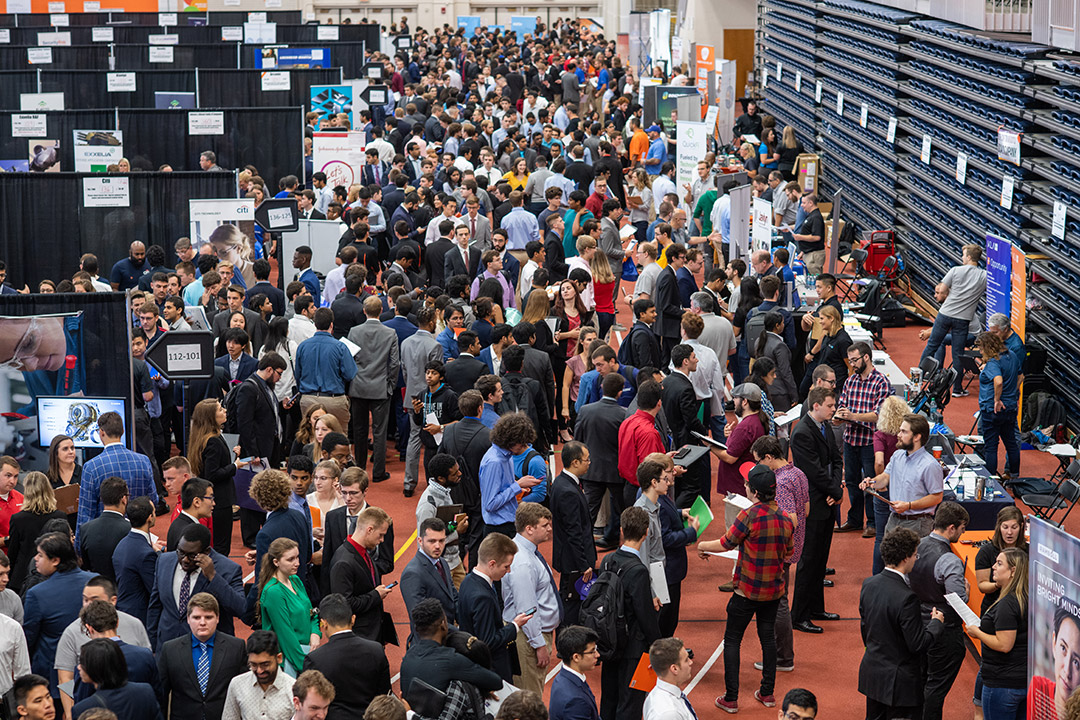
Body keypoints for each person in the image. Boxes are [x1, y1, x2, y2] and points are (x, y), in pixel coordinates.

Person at [699, 464, 794, 713]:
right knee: (767, 639)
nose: (744, 486)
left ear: (754, 491)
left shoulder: (749, 515)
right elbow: (789, 553)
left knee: (732, 640)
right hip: (773, 592)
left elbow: (726, 542)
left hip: (746, 591)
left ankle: (731, 697)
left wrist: (701, 546)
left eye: (747, 484)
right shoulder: (785, 518)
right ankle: (767, 693)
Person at [859, 527, 946, 719]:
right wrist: (935, 624)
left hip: (873, 675)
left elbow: (865, 630)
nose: (916, 558)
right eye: (915, 554)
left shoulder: (868, 584)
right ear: (905, 557)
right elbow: (917, 644)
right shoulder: (907, 598)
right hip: (900, 684)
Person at [909, 501, 971, 720]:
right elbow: (959, 601)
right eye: (962, 528)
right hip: (945, 631)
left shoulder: (915, 545)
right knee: (936, 687)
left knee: (922, 679)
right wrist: (967, 589)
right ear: (952, 527)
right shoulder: (950, 560)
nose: (963, 534)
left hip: (917, 623)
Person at [597, 507, 660, 720]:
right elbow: (645, 614)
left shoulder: (607, 560)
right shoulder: (639, 571)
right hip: (633, 648)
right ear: (646, 532)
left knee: (609, 698)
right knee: (631, 703)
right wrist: (656, 645)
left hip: (610, 641)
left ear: (622, 529)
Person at [752, 436, 809, 671]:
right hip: (794, 545)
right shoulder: (798, 473)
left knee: (778, 602)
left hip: (779, 549)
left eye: (758, 461)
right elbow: (806, 509)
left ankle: (782, 657)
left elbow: (791, 518)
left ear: (768, 457)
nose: (757, 467)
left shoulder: (781, 482)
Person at [146, 524, 246, 652]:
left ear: (206, 552)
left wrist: (213, 577)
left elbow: (240, 608)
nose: (185, 560)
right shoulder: (164, 561)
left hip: (209, 651)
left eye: (192, 556)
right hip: (168, 647)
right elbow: (155, 606)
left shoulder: (227, 569)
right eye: (181, 552)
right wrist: (153, 646)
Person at [24, 532, 95, 696]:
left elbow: (29, 638)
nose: (35, 559)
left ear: (55, 560)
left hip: (56, 676)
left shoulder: (37, 594)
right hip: (93, 669)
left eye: (40, 555)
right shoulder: (95, 581)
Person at [158, 592, 248, 720]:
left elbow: (244, 691)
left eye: (208, 617)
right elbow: (162, 694)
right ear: (188, 619)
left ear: (217, 618)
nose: (202, 622)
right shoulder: (170, 650)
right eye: (196, 617)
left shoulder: (235, 647)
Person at [503, 503, 562, 696]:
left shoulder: (527, 552)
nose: (550, 529)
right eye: (545, 525)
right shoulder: (523, 562)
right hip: (527, 639)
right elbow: (526, 609)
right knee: (529, 699)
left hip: (531, 634)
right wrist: (539, 645)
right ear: (529, 528)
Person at [836, 341, 893, 536]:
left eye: (854, 360)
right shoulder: (850, 381)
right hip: (850, 439)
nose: (851, 364)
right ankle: (854, 519)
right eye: (850, 360)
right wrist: (838, 417)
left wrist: (852, 416)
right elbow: (843, 405)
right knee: (851, 482)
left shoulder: (881, 382)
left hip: (870, 442)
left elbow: (879, 415)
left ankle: (873, 522)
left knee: (871, 482)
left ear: (866, 357)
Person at [302, 593, 390, 720]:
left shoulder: (315, 659)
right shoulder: (376, 650)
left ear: (324, 623)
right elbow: (384, 694)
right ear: (353, 619)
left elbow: (311, 703)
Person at [456, 532, 530, 681]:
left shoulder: (468, 580)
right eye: (506, 566)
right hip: (492, 671)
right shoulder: (482, 597)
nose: (508, 571)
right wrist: (515, 626)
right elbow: (488, 642)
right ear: (492, 564)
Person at [965, 548, 1028, 720]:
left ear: (1013, 571)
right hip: (1022, 681)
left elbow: (1004, 644)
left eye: (999, 564)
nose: (993, 566)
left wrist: (977, 632)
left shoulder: (1007, 604)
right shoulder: (1025, 597)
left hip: (1003, 683)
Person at [76, 412, 157, 546]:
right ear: (123, 431)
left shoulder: (91, 467)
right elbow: (153, 500)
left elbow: (85, 514)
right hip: (138, 539)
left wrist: (79, 549)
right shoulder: (143, 461)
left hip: (104, 542)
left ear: (101, 433)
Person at [399, 598, 503, 701]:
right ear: (443, 624)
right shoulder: (451, 660)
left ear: (416, 629)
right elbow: (496, 682)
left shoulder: (407, 658)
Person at [860, 413, 944, 538]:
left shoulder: (930, 465)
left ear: (916, 437)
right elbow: (885, 477)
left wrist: (909, 506)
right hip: (894, 519)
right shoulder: (897, 455)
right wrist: (871, 482)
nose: (898, 435)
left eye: (904, 432)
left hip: (917, 523)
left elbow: (937, 497)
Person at [920, 244, 987, 397]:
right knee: (958, 354)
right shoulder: (984, 275)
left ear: (969, 257)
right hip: (963, 319)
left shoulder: (955, 270)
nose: (962, 258)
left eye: (964, 255)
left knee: (932, 345)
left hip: (945, 314)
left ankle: (919, 376)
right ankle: (957, 389)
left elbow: (942, 289)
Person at [348, 296, 401, 485]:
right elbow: (395, 363)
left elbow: (349, 360)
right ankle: (378, 472)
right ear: (381, 311)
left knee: (359, 430)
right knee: (380, 432)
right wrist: (390, 385)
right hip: (380, 388)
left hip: (358, 387)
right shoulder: (390, 333)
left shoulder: (354, 331)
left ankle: (359, 470)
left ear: (364, 311)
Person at [328, 506, 398, 645]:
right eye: (381, 535)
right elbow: (345, 605)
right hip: (360, 638)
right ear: (369, 530)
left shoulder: (363, 552)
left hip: (372, 632)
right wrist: (376, 595)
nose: (382, 540)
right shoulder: (343, 562)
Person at [575, 373, 628, 549]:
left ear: (602, 388)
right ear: (620, 392)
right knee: (620, 509)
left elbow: (578, 439)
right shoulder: (624, 414)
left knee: (588, 510)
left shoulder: (585, 410)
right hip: (616, 471)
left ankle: (584, 545)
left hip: (591, 469)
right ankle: (618, 540)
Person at [186, 399, 244, 555]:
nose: (224, 410)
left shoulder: (205, 437)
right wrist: (234, 466)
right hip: (219, 500)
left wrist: (232, 456)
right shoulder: (212, 441)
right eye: (220, 409)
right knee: (221, 546)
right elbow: (212, 474)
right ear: (211, 417)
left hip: (215, 499)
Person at [257, 538, 320, 677]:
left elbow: (312, 613)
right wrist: (306, 667)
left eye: (297, 557)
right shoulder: (274, 592)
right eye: (290, 559)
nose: (297, 563)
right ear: (276, 562)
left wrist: (315, 633)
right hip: (288, 659)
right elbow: (285, 635)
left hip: (307, 652)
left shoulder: (295, 580)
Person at [478, 413, 543, 538]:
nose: (525, 447)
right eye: (522, 443)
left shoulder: (507, 456)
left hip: (508, 523)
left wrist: (519, 488)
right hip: (499, 529)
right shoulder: (495, 462)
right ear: (510, 441)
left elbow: (503, 488)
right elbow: (490, 504)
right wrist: (517, 485)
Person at [401, 307, 444, 497]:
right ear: (432, 322)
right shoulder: (435, 346)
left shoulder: (406, 343)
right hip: (430, 398)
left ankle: (409, 483)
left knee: (414, 438)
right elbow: (438, 374)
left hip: (411, 396)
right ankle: (434, 483)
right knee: (436, 440)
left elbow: (404, 371)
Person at [661, 344, 710, 506]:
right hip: (685, 444)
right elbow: (690, 420)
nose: (696, 360)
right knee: (691, 487)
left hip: (671, 439)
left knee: (677, 484)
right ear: (685, 362)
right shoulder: (685, 387)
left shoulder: (667, 382)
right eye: (694, 357)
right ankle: (679, 517)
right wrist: (704, 433)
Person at [294, 308, 357, 431]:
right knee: (339, 440)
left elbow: (298, 374)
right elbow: (350, 374)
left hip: (308, 399)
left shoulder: (302, 346)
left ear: (315, 323)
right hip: (334, 400)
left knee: (311, 438)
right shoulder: (340, 347)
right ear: (331, 325)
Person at [870, 396, 912, 574]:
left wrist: (880, 482)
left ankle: (878, 575)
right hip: (904, 490)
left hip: (886, 489)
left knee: (881, 537)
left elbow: (879, 461)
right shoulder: (905, 436)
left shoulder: (880, 435)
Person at [71, 638, 162, 720]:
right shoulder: (145, 691)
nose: (79, 667)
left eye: (83, 663)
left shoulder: (83, 709)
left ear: (95, 667)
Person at [7, 472, 68, 593]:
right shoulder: (60, 516)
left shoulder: (18, 519)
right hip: (53, 575)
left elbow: (12, 553)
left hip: (22, 578)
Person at [975, 331, 1021, 478]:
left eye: (981, 348)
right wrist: (1011, 393)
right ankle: (1014, 476)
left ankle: (990, 481)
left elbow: (998, 381)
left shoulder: (994, 362)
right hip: (1011, 407)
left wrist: (997, 399)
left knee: (991, 447)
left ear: (988, 347)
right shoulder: (1012, 355)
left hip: (993, 409)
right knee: (1011, 444)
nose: (980, 351)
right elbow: (1021, 376)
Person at [713, 383, 770, 498]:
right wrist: (730, 436)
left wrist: (710, 446)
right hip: (745, 483)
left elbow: (730, 457)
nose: (733, 401)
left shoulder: (745, 427)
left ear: (745, 402)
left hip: (737, 487)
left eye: (735, 398)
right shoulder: (758, 419)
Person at [222, 630, 295, 720]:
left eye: (265, 664)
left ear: (279, 658)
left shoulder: (293, 689)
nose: (259, 671)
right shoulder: (237, 684)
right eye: (253, 665)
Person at [400, 518, 458, 629]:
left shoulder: (443, 563)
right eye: (432, 541)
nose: (438, 546)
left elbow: (453, 597)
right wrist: (458, 633)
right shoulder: (412, 574)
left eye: (442, 541)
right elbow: (421, 618)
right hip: (430, 640)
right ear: (420, 541)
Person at [111, 495, 160, 625]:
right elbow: (155, 589)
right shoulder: (146, 554)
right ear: (149, 518)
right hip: (140, 617)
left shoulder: (121, 544)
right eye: (154, 512)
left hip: (123, 610)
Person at [975, 507, 1028, 617]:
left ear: (1021, 527)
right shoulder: (986, 551)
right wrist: (998, 584)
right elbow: (982, 585)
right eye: (1005, 527)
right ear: (999, 527)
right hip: (993, 605)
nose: (1009, 532)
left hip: (1021, 607)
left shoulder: (1028, 551)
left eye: (1014, 527)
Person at [76, 476, 130, 581]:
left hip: (96, 587)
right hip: (122, 589)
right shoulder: (129, 529)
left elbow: (85, 564)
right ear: (124, 499)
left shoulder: (85, 529)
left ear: (102, 498)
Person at [549, 625, 601, 720]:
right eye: (592, 651)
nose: (597, 655)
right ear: (576, 657)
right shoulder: (575, 701)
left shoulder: (563, 678)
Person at [643, 636, 698, 720]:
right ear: (674, 669)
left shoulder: (655, 694)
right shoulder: (669, 713)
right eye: (686, 660)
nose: (691, 662)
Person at [166, 478, 215, 552]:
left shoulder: (177, 522)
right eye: (210, 498)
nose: (214, 503)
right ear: (197, 502)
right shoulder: (193, 534)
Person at [46, 434, 80, 529]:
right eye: (65, 449)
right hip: (57, 527)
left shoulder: (85, 472)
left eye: (72, 448)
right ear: (55, 453)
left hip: (80, 525)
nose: (71, 452)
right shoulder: (48, 478)